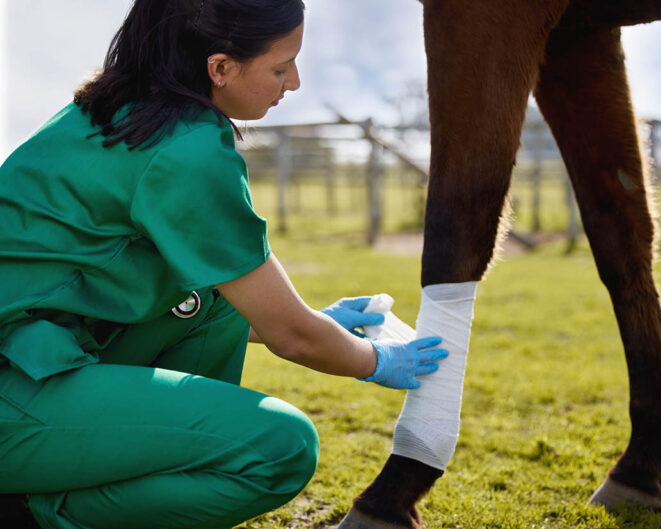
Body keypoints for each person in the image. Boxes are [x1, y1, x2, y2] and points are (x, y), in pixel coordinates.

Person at [0, 1, 448, 528]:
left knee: (213, 303)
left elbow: (250, 307)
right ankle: (33, 513)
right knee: (281, 448)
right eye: (281, 67)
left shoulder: (122, 110)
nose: (295, 82)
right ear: (219, 68)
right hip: (18, 383)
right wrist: (375, 359)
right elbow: (293, 336)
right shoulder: (185, 150)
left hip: (35, 354)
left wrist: (316, 322)